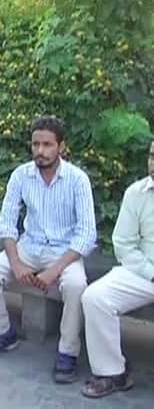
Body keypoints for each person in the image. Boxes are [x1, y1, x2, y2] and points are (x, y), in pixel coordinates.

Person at [0, 116, 97, 384]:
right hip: (29, 246)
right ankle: (2, 333)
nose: (40, 151)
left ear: (61, 147)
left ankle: (67, 351)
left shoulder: (77, 180)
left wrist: (54, 270)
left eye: (47, 145)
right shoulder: (21, 175)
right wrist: (16, 263)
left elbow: (87, 234)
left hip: (64, 253)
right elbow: (7, 224)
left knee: (76, 286)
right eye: (35, 144)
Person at [79, 141, 154, 398]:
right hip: (143, 272)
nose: (153, 163)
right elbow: (123, 244)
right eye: (152, 156)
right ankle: (112, 373)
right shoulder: (137, 193)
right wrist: (150, 273)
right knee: (95, 296)